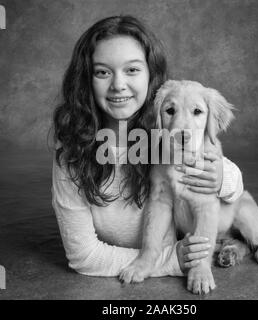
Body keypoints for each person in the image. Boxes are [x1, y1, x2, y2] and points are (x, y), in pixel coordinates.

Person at [51, 15, 243, 278]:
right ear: (86, 80)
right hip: (152, 259)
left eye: (132, 69)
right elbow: (84, 255)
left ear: (151, 76)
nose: (118, 85)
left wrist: (224, 178)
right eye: (102, 72)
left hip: (192, 234)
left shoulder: (167, 124)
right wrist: (169, 259)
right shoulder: (72, 155)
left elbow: (219, 173)